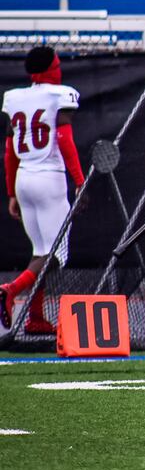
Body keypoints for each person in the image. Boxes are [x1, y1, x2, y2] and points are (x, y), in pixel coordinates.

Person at [1, 46, 82, 334]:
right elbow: (64, 138)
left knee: (40, 250)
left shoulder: (15, 97)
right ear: (51, 68)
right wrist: (80, 180)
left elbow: (9, 151)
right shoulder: (59, 94)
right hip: (50, 177)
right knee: (55, 254)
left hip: (24, 177)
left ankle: (35, 317)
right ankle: (11, 289)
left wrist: (11, 191)